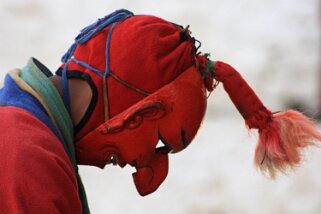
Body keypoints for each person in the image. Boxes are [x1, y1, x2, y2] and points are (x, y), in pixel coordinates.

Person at [0, 9, 320, 214]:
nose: (138, 167)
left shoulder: (29, 134)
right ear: (138, 109)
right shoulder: (26, 155)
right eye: (158, 143)